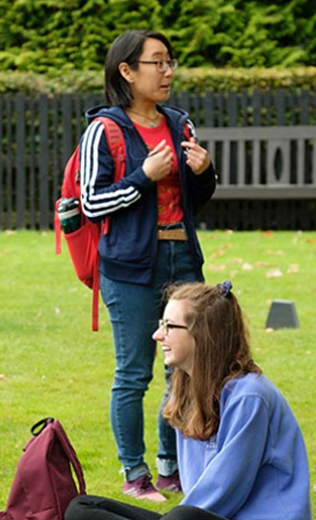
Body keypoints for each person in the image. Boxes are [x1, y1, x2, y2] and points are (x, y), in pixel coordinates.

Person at [78, 29, 217, 501]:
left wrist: (204, 173)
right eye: (157, 62)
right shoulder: (105, 129)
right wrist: (143, 176)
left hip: (183, 258)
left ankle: (170, 467)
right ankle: (135, 474)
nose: (168, 71)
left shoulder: (180, 124)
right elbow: (92, 203)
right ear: (127, 71)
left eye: (170, 61)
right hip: (130, 267)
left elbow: (197, 201)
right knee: (134, 372)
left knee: (185, 368)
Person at [66, 281, 312, 520]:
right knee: (83, 508)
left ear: (202, 334)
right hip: (198, 515)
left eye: (169, 326)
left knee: (183, 515)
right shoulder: (185, 388)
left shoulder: (250, 397)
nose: (157, 335)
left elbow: (223, 494)